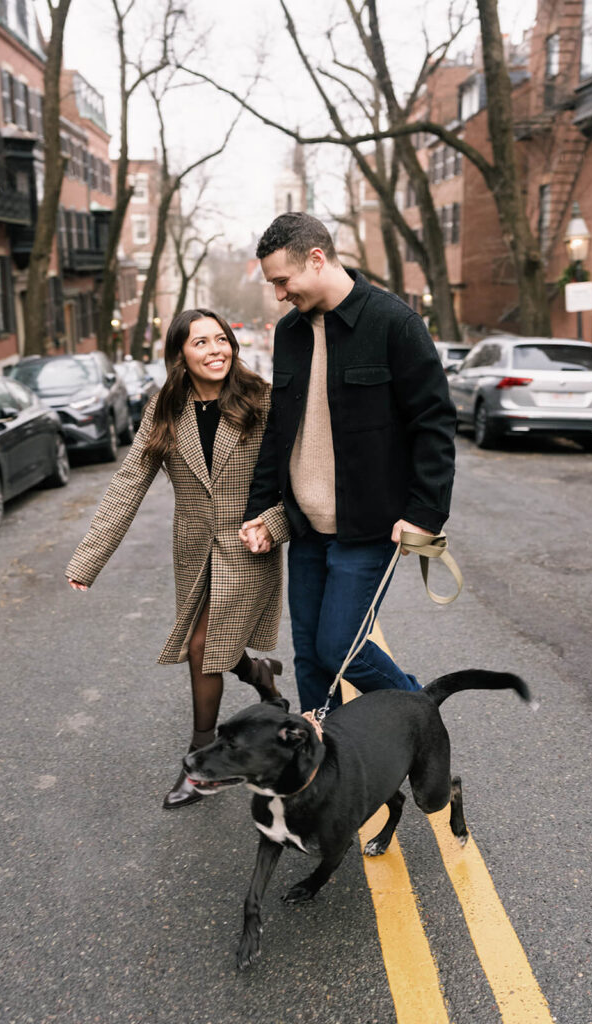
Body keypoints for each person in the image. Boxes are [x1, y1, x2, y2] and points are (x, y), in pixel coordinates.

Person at [66, 309, 289, 809]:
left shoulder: (261, 399)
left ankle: (201, 763)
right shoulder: (164, 409)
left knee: (202, 645)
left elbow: (292, 478)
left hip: (250, 545)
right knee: (217, 646)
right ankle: (261, 677)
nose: (215, 350)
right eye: (201, 343)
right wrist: (89, 559)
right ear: (180, 355)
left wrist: (273, 526)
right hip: (193, 551)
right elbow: (129, 483)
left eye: (221, 340)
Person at [239, 212, 456, 713]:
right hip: (306, 528)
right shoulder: (289, 333)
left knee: (341, 648)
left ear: (316, 259)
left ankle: (420, 718)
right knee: (310, 660)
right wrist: (259, 508)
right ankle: (328, 763)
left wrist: (425, 513)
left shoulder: (394, 323)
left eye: (282, 281)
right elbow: (279, 429)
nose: (278, 294)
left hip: (368, 528)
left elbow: (434, 423)